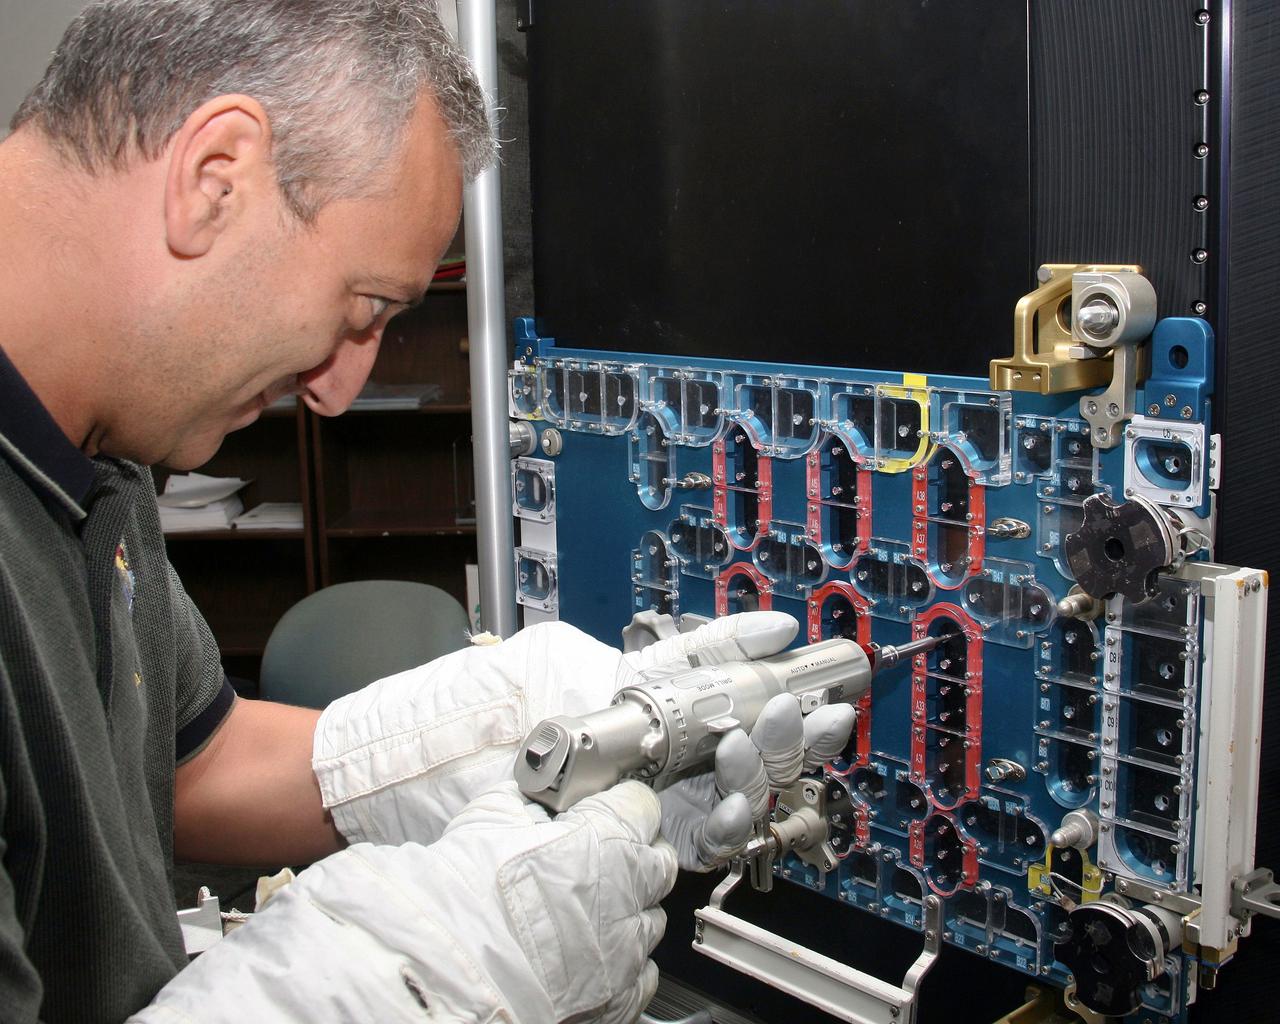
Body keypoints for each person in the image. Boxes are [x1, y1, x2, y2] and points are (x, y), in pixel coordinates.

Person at [0, 2, 855, 1021]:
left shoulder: (105, 438)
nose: (336, 390)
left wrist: (485, 744)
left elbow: (184, 766)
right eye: (362, 310)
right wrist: (422, 972)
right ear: (213, 178)